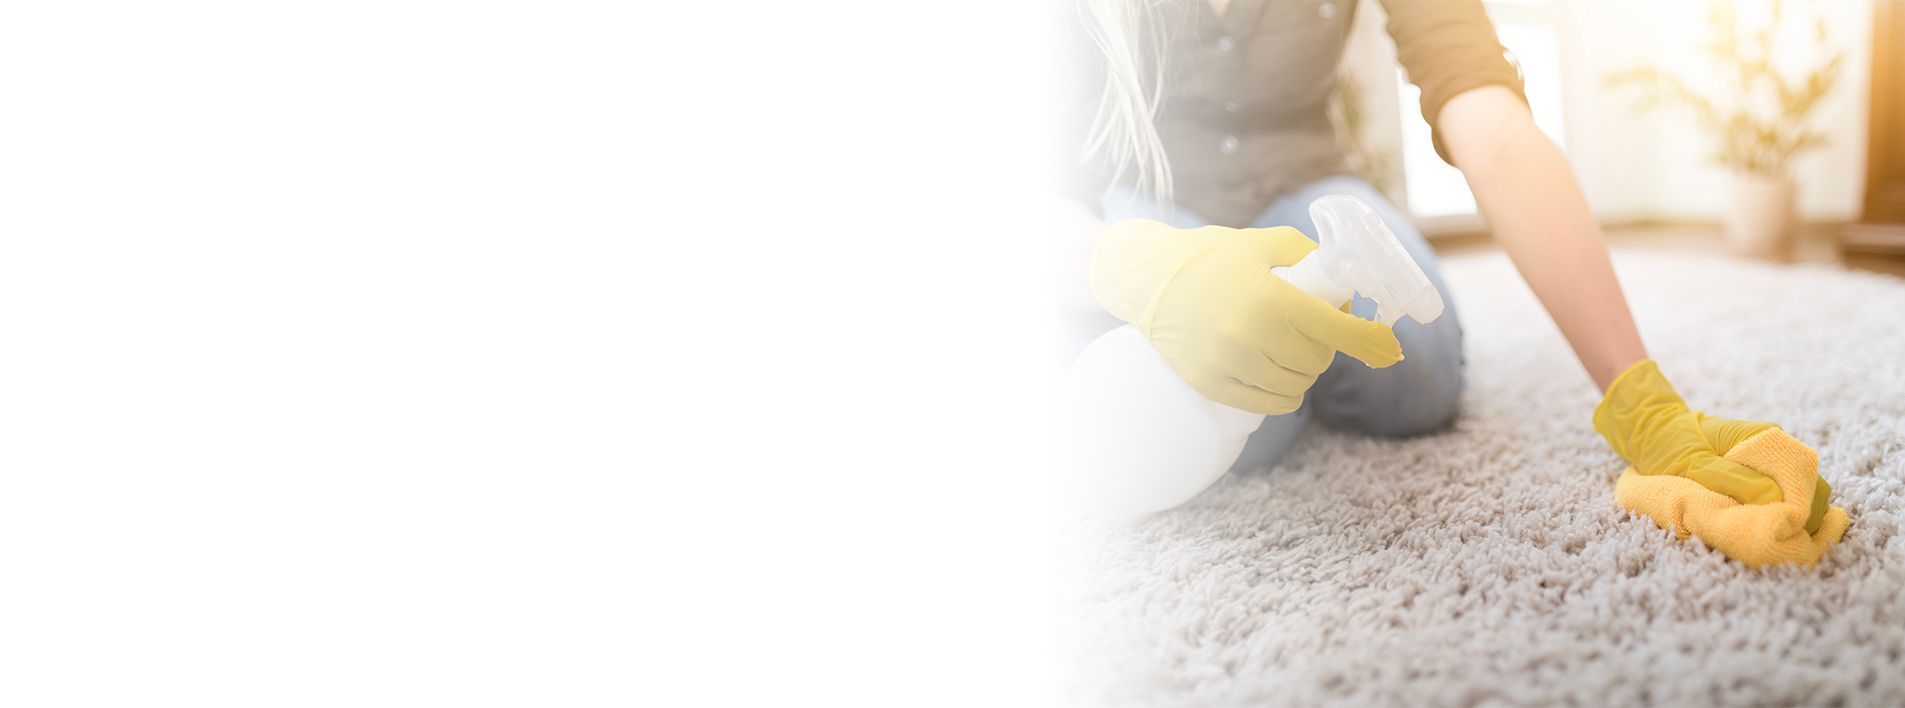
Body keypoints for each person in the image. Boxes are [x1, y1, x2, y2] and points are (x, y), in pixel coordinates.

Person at [1054, 0, 1832, 534]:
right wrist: (1134, 266)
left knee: (1413, 376)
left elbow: (1490, 126)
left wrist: (1639, 396)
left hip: (1305, 178)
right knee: (1233, 404)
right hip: (1153, 189)